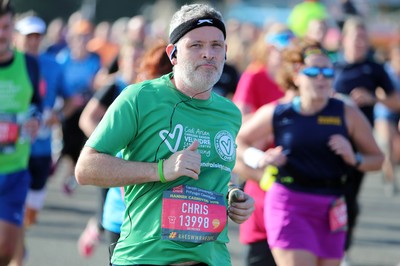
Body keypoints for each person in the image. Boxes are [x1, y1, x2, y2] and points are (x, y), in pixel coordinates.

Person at [75, 3, 255, 265]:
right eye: (196, 45)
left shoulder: (230, 113)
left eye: (216, 45)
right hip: (144, 257)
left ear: (226, 52)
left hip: (212, 258)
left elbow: (216, 177)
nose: (208, 54)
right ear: (173, 54)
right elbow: (86, 169)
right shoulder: (139, 98)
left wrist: (233, 197)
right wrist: (161, 170)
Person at [236, 40, 384, 266]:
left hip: (331, 205)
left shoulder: (346, 113)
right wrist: (260, 158)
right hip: (289, 203)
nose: (322, 78)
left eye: (327, 71)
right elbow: (239, 141)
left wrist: (354, 158)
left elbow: (377, 159)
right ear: (296, 76)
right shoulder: (279, 113)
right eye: (313, 71)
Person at [332, 17, 400, 263]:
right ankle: (326, 246)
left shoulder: (374, 68)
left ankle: (343, 249)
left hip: (360, 142)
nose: (360, 43)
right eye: (355, 38)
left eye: (363, 38)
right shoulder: (332, 65)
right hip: (330, 141)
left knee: (349, 197)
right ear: (344, 39)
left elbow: (396, 101)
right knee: (327, 194)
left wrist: (374, 98)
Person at [232, 23, 294, 266]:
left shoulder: (294, 80)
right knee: (262, 242)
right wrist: (268, 124)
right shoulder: (255, 75)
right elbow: (240, 122)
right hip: (257, 162)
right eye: (280, 46)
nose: (284, 53)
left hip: (288, 161)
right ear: (268, 48)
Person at [14, 14, 67, 227]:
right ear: (17, 37)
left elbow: (71, 98)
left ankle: (19, 242)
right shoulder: (7, 64)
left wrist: (59, 116)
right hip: (11, 149)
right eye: (29, 36)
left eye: (37, 36)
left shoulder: (52, 65)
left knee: (30, 215)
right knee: (11, 210)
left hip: (41, 149)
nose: (34, 41)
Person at [0, 1, 42, 265]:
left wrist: (35, 121)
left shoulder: (29, 64)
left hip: (15, 170)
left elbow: (36, 102)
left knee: (5, 252)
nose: (1, 34)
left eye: (5, 27)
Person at [373, 43, 400, 196]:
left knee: (397, 148)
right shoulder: (385, 72)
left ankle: (390, 170)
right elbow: (380, 96)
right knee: (388, 143)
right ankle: (390, 180)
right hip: (385, 112)